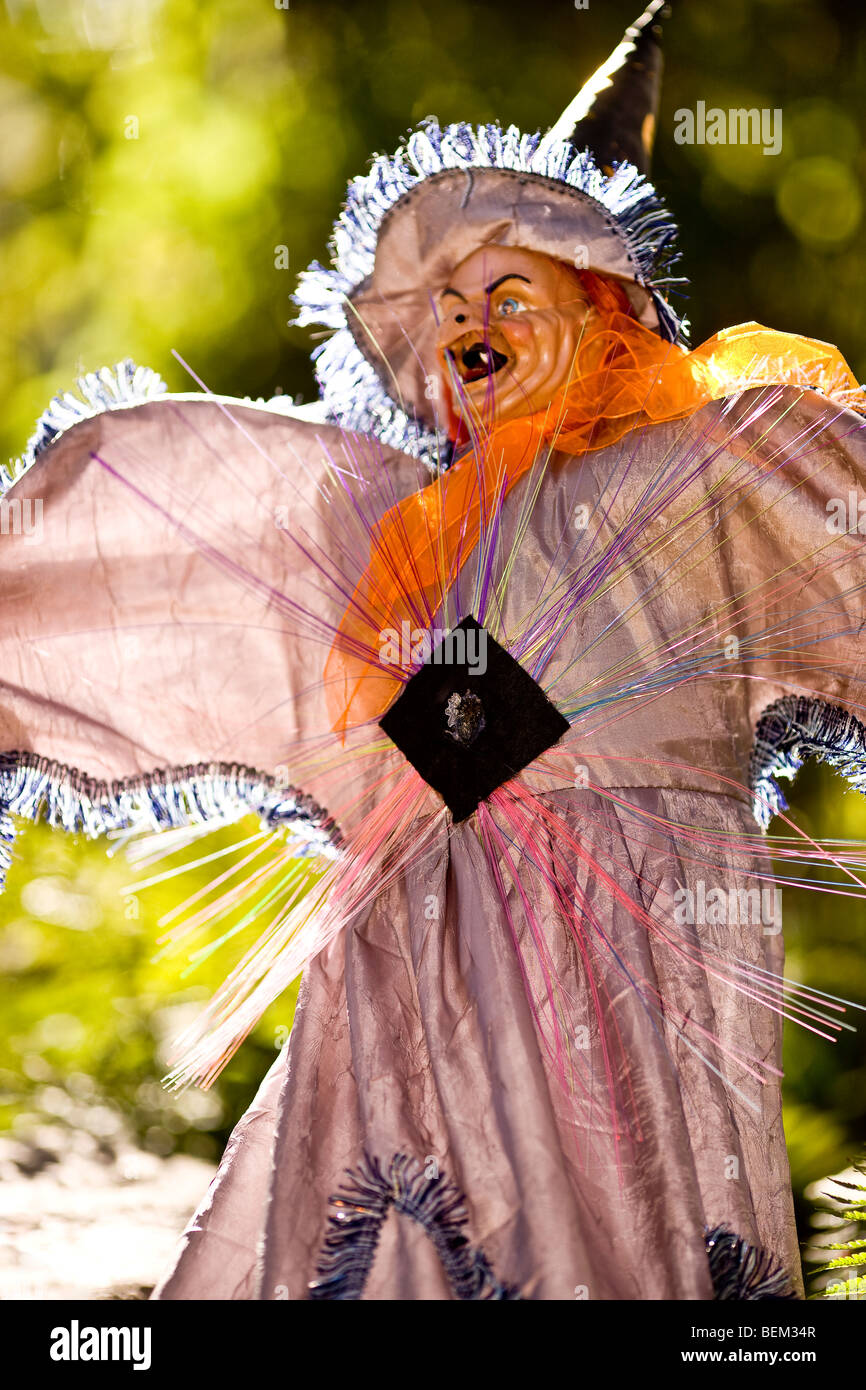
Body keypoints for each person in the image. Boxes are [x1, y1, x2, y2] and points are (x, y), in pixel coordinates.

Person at [3, 3, 866, 1300]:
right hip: (438, 894)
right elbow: (371, 686)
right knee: (432, 1160)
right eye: (451, 300)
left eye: (506, 290)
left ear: (601, 300)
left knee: (624, 1181)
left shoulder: (719, 461)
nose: (471, 318)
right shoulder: (427, 521)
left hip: (652, 889)